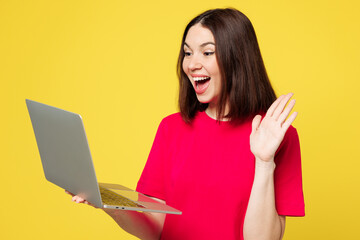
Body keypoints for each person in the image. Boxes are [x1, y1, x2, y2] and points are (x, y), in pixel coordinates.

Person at [68, 8, 305, 240]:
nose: (191, 64)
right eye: (188, 53)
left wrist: (264, 162)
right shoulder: (171, 129)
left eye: (207, 53)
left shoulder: (277, 136)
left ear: (237, 58)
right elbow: (155, 228)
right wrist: (108, 204)